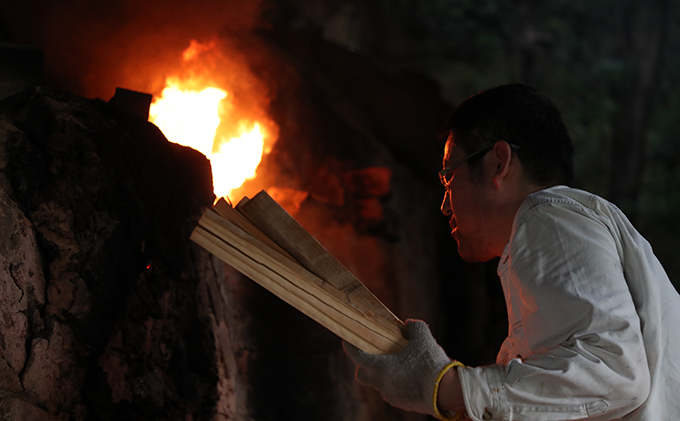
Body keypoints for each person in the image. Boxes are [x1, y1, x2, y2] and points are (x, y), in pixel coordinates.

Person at [344, 84, 680, 420]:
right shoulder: (555, 226)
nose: (445, 205)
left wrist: (447, 387)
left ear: (499, 162)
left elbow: (615, 374)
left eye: (448, 178)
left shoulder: (548, 216)